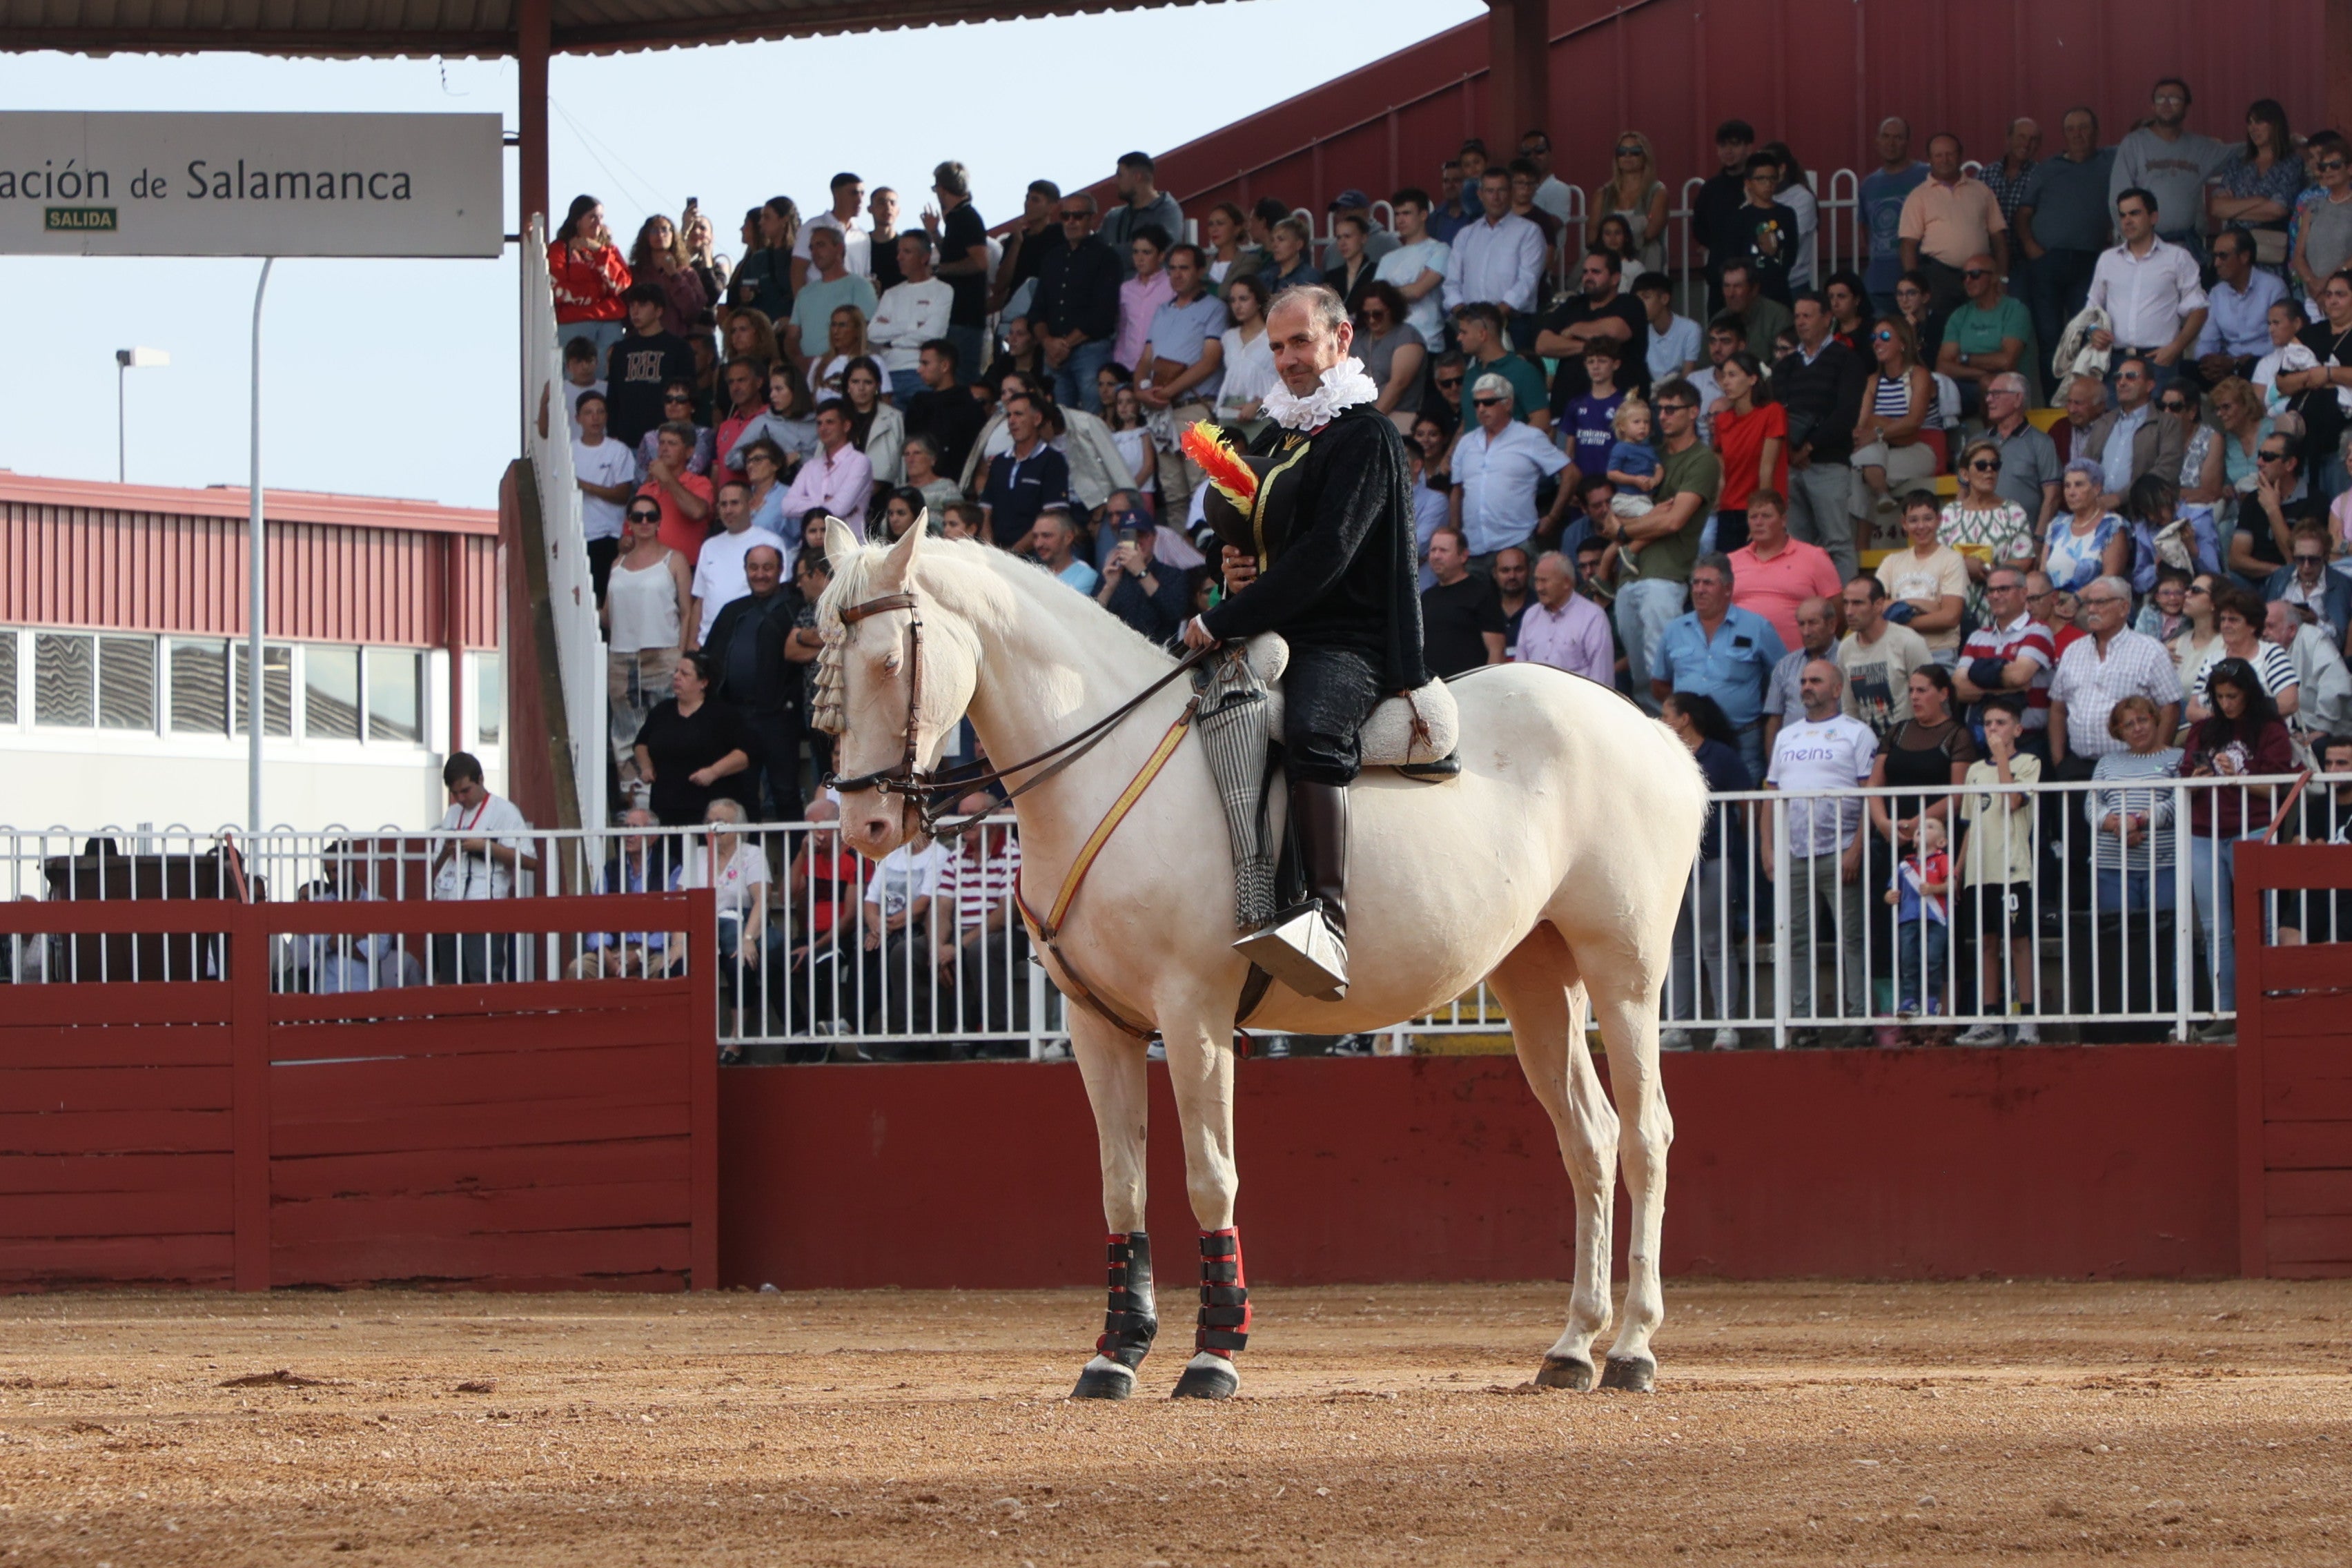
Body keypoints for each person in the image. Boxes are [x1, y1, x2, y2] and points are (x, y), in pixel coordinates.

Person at [1184, 284, 1431, 997]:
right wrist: (1230, 566)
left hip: (1347, 640)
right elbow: (1259, 530)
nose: (1288, 359)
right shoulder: (1278, 434)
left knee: (1315, 727)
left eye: (1300, 342)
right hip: (1275, 626)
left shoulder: (1368, 435)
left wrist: (1222, 618)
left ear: (1342, 339)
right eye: (1277, 346)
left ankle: (1324, 920)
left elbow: (1327, 556)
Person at [1763, 658, 1876, 1046]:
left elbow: (1870, 796)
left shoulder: (1857, 733)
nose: (1807, 686)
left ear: (1837, 689)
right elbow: (1771, 795)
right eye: (1804, 680)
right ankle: (1802, 1018)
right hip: (1794, 852)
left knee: (1852, 937)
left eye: (1816, 680)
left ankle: (1859, 1019)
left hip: (1840, 848)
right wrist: (1767, 847)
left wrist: (1857, 847)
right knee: (1794, 938)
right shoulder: (1786, 737)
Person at [2180, 658, 2295, 1026]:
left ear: (2249, 693)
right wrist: (2200, 776)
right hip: (2204, 830)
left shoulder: (2271, 730)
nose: (2226, 704)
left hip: (2254, 828)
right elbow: (2183, 780)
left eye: (2233, 696)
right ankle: (2228, 1012)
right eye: (2220, 697)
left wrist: (2239, 774)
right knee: (2216, 929)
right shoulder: (2202, 732)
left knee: (2262, 923)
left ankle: (2267, 1006)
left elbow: (2277, 789)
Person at [1865, 663, 1975, 1015]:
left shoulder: (1957, 735)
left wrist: (1921, 822)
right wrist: (1883, 822)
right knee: (1892, 930)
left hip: (1937, 840)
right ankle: (1895, 1018)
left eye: (1923, 689)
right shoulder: (1896, 732)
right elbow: (1874, 785)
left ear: (1943, 694)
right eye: (1911, 690)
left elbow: (1959, 793)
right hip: (1896, 844)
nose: (1915, 696)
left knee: (1941, 933)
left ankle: (1943, 1018)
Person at [1607, 378, 1718, 716]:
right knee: (1641, 677)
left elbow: (1674, 521)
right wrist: (1627, 529)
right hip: (1628, 575)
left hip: (1667, 575)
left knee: (1665, 671)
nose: (1663, 416)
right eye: (1660, 409)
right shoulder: (1647, 451)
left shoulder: (1702, 459)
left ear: (1693, 412)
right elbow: (1611, 514)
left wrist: (1625, 533)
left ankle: (1681, 743)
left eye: (1672, 409)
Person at [1660, 689, 1752, 1051]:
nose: (1662, 721)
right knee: (1677, 945)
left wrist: (1741, 846)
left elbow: (1746, 801)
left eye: (1667, 714)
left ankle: (1726, 1025)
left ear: (1686, 719)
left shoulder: (1720, 755)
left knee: (1715, 943)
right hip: (1673, 862)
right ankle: (1678, 1026)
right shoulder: (1663, 755)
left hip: (1712, 857)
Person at [1950, 696, 2044, 1045]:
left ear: (2017, 729)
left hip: (2013, 868)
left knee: (2018, 941)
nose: (1993, 730)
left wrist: (2002, 757)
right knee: (1987, 942)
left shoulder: (2029, 762)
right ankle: (1990, 1019)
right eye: (1988, 724)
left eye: (2000, 723)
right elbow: (1970, 825)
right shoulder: (1975, 771)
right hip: (1980, 871)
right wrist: (1959, 870)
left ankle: (2026, 1019)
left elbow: (2012, 801)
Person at [1648, 553, 1785, 781]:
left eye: (1708, 583)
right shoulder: (1675, 630)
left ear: (1728, 589)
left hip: (1743, 738)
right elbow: (1659, 683)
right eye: (1696, 582)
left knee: (1745, 804)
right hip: (1690, 742)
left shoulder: (1757, 627)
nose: (1700, 589)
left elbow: (1781, 678)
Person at [700, 541, 805, 823]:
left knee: (785, 792)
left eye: (768, 568)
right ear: (745, 570)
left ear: (781, 570)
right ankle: (749, 860)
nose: (760, 574)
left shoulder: (794, 609)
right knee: (742, 794)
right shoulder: (731, 611)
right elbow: (709, 659)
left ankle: (793, 859)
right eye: (754, 568)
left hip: (778, 717)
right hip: (736, 716)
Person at [602, 498, 691, 806]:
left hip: (662, 653)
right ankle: (635, 806)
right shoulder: (617, 565)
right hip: (621, 657)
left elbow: (686, 611)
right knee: (625, 734)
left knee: (665, 730)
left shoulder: (674, 559)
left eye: (650, 516)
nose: (644, 521)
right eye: (637, 516)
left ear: (658, 521)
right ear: (629, 521)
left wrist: (681, 654)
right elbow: (607, 615)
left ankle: (667, 796)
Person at [2012, 107, 2115, 372]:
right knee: (2049, 337)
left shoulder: (2111, 162)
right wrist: (2031, 248)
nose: (2077, 134)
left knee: (2087, 335)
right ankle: (2051, 406)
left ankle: (2082, 402)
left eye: (2084, 127)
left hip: (2090, 262)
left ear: (2097, 131)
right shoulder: (2047, 169)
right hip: (2048, 262)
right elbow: (2023, 213)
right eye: (2071, 129)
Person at [1774, 292, 1869, 579]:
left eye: (1808, 315)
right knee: (1797, 544)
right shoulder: (1786, 365)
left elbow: (1846, 414)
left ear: (1828, 318)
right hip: (1792, 464)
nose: (1800, 322)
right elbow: (1776, 413)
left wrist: (1810, 447)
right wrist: (1792, 451)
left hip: (1829, 462)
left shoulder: (1847, 360)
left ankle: (1845, 611)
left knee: (1837, 542)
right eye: (1797, 316)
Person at [2048, 574, 2183, 772]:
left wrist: (2153, 762)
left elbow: (2170, 707)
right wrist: (2060, 762)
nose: (2092, 609)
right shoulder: (2073, 651)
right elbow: (2058, 709)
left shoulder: (2150, 650)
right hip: (2078, 766)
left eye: (2100, 602)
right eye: (2089, 603)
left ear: (2124, 608)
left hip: (2133, 766)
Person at [929, 793, 1028, 1052]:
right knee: (906, 952)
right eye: (961, 816)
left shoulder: (1012, 853)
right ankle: (923, 1041)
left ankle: (999, 1039)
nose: (965, 822)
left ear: (993, 819)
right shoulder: (956, 857)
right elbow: (941, 908)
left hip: (1006, 933)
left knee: (980, 949)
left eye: (971, 815)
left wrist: (958, 946)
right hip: (964, 935)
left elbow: (1006, 913)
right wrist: (939, 947)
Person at [427, 752, 537, 984]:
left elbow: (530, 861)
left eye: (465, 791)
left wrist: (485, 847)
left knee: (483, 977)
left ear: (481, 780)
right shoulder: (452, 813)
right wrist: (449, 849)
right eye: (455, 793)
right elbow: (436, 863)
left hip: (485, 904)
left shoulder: (505, 812)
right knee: (450, 980)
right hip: (448, 903)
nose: (460, 798)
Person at [2086, 190, 2209, 391]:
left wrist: (2177, 348)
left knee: (2160, 419)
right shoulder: (2108, 260)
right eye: (2123, 215)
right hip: (2115, 361)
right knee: (2116, 419)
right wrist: (2093, 331)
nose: (2127, 220)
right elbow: (2092, 308)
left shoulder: (2178, 257)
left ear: (2153, 217)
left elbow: (2199, 309)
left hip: (2159, 361)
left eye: (2134, 213)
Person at [1137, 244, 1228, 504]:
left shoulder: (1215, 308)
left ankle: (1204, 544)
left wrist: (1166, 391)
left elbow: (1210, 362)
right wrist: (1139, 391)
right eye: (1173, 268)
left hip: (1194, 409)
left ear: (1201, 271)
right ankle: (1179, 546)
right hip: (1162, 411)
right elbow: (1145, 359)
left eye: (1184, 268)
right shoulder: (1162, 310)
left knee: (1202, 489)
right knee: (1173, 493)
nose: (1177, 274)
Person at [1449, 373, 1569, 567]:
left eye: (1488, 402)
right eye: (1477, 403)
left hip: (1517, 542)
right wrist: (1455, 537)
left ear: (1508, 404)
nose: (1481, 409)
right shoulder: (1466, 443)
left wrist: (1553, 517)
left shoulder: (1530, 437)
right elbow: (1457, 492)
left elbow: (1570, 473)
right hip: (1473, 547)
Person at [2109, 77, 2228, 259]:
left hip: (2185, 248)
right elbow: (2117, 199)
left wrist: (2284, 141)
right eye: (2160, 99)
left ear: (2187, 107)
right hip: (2145, 248)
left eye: (2174, 99)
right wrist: (2134, 241)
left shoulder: (2201, 148)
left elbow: (2245, 151)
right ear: (2153, 106)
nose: (2166, 104)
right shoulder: (2134, 144)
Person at [1028, 194, 1123, 415]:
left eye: (1078, 216)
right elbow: (1038, 308)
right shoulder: (1052, 257)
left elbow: (1103, 312)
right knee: (1057, 422)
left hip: (1090, 351)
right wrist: (1048, 343)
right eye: (1065, 216)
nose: (1071, 221)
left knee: (1092, 421)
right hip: (1053, 354)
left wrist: (1064, 345)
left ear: (1092, 219)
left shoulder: (1107, 257)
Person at [1899, 135, 2008, 312]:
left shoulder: (1981, 190)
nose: (1945, 160)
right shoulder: (1918, 196)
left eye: (1950, 154)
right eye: (1939, 155)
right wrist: (1913, 285)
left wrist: (2002, 278)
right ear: (1930, 159)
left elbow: (1999, 237)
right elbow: (1908, 245)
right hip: (1939, 277)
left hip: (1980, 275)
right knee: (1942, 329)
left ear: (1960, 156)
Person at [1850, 316, 1937, 536]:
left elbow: (1914, 421)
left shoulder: (1919, 375)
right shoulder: (1873, 381)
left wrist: (1879, 430)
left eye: (1885, 336)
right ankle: (1882, 495)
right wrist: (1873, 433)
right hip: (1882, 449)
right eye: (1874, 338)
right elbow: (1862, 427)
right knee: (1862, 462)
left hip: (1918, 448)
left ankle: (1861, 545)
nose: (1877, 342)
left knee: (1861, 469)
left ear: (1903, 342)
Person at [2271, 272, 2352, 507]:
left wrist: (2329, 374)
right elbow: (2283, 383)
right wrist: (2311, 377)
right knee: (2309, 512)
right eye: (2328, 295)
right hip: (2303, 443)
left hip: (2341, 446)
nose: (2333, 301)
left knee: (2341, 509)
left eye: (2341, 295)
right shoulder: (2309, 334)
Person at [1727, 489, 1841, 656]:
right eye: (1753, 517)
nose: (1759, 522)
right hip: (1742, 660)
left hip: (1799, 661)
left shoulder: (1814, 557)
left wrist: (1820, 653)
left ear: (1783, 520)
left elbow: (1837, 612)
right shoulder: (1730, 561)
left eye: (1766, 516)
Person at [1950, 565, 2057, 741]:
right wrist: (2005, 691)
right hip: (1982, 741)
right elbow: (1959, 689)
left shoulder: (2038, 631)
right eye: (1991, 590)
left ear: (2024, 593)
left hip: (2026, 740)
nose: (1995, 596)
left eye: (2004, 589)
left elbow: (2019, 676)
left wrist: (1978, 675)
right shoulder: (1977, 636)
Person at [1941, 435, 2039, 625]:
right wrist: (1962, 565)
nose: (1989, 471)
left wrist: (1991, 572)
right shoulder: (1949, 514)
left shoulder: (2012, 511)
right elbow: (1936, 557)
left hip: (2002, 603)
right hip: (1956, 603)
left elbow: (2025, 559)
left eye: (1995, 466)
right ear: (1965, 474)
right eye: (1981, 465)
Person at [1441, 167, 1545, 337]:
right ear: (1480, 194)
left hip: (1513, 324)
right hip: (1470, 324)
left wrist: (1495, 315)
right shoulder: (1466, 234)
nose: (1496, 198)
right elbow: (1451, 281)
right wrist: (1462, 312)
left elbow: (1528, 280)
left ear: (1511, 193)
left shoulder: (1529, 232)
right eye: (1490, 191)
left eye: (1501, 191)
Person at [1874, 491, 1968, 664]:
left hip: (1938, 653)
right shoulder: (1891, 562)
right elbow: (1874, 607)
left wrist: (1899, 618)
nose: (1921, 526)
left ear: (1939, 520)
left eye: (1928, 519)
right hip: (1897, 652)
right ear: (1904, 523)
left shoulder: (1952, 560)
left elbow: (1950, 617)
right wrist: (1925, 606)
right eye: (1914, 520)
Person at [1706, 351, 1785, 556]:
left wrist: (1761, 515)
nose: (1726, 382)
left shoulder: (1772, 412)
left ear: (1752, 379)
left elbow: (1767, 469)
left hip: (1761, 509)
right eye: (1724, 376)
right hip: (1728, 509)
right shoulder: (1722, 420)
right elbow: (1722, 470)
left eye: (1733, 375)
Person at [2079, 358, 2185, 509]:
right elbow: (2085, 465)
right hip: (2099, 511)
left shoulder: (2167, 423)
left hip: (2145, 511)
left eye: (2131, 376)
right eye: (2118, 377)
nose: (2121, 382)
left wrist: (2119, 498)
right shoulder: (2104, 422)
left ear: (2150, 385)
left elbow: (2167, 471)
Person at [1839, 574, 1934, 741]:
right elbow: (1850, 710)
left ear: (1879, 605)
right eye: (1845, 603)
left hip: (1908, 743)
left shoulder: (1908, 642)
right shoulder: (1845, 649)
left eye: (1857, 603)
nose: (1849, 612)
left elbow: (1931, 701)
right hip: (1868, 747)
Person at [2193, 227, 2288, 392]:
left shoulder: (2273, 287)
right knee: (2186, 370)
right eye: (2215, 256)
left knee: (2253, 367)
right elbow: (2207, 340)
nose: (2216, 263)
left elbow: (2281, 340)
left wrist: (2237, 362)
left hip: (2260, 364)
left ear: (2244, 257)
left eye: (2223, 256)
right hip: (2226, 367)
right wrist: (2208, 361)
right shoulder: (2217, 293)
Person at [603, 284, 695, 452]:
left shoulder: (678, 348)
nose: (635, 312)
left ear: (659, 311)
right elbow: (613, 395)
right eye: (632, 306)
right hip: (626, 441)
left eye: (643, 305)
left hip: (665, 441)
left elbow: (689, 394)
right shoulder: (621, 350)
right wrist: (612, 432)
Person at [1938, 255, 2035, 413]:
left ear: (1994, 277)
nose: (1968, 280)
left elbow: (2007, 361)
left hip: (2009, 385)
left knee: (1989, 384)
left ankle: (1993, 437)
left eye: (1975, 274)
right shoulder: (1959, 315)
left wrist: (1965, 358)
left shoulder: (2015, 310)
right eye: (1964, 276)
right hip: (1965, 384)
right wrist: (1980, 374)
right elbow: (1943, 366)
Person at [925, 161, 992, 388]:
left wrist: (938, 270)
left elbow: (980, 262)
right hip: (959, 316)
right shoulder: (958, 218)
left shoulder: (966, 217)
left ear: (942, 188)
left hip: (965, 316)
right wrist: (935, 233)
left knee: (962, 378)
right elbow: (954, 257)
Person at [868, 232, 954, 408]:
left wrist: (891, 341)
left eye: (907, 252)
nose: (899, 257)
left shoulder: (943, 290)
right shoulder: (891, 293)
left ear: (924, 258)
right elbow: (873, 333)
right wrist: (914, 325)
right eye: (899, 251)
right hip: (888, 374)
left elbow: (933, 335)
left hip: (921, 374)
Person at [977, 391, 1070, 549]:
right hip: (996, 553)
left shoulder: (1052, 460)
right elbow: (985, 511)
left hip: (1036, 554)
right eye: (1009, 415)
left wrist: (1014, 553)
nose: (1012, 421)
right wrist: (992, 550)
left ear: (1037, 419)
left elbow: (1052, 516)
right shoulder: (1000, 461)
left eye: (1019, 414)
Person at [547, 195, 631, 363]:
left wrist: (599, 251)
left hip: (610, 322)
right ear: (577, 220)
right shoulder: (560, 249)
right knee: (577, 377)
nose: (598, 223)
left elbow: (621, 283)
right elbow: (558, 288)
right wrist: (598, 291)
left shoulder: (608, 250)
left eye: (601, 217)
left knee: (610, 377)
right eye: (592, 217)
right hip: (574, 324)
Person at [786, 227, 879, 380]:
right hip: (808, 374)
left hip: (845, 372)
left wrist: (835, 361)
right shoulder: (804, 293)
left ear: (839, 248)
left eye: (821, 245)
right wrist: (800, 360)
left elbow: (868, 330)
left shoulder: (860, 286)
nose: (815, 252)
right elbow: (792, 336)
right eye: (811, 247)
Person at [1859, 119, 1930, 314]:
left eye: (1898, 138)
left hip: (1918, 283)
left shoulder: (1926, 176)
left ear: (1908, 142)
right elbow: (1866, 231)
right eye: (1886, 137)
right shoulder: (1869, 185)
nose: (1891, 143)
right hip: (1880, 285)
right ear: (1877, 142)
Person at [1513, 549, 1614, 685]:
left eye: (1544, 581)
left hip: (1576, 702)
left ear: (1567, 582)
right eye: (1536, 581)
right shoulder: (1531, 616)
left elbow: (1603, 678)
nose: (1539, 588)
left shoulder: (1593, 617)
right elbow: (1519, 673)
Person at [778, 400, 874, 540]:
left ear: (846, 426)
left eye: (830, 422)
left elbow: (839, 508)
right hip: (812, 549)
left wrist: (808, 501)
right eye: (819, 423)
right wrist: (825, 500)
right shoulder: (810, 466)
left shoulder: (859, 462)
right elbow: (787, 507)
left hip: (848, 549)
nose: (823, 428)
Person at [1418, 526, 1505, 676]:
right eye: (1433, 550)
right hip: (1433, 690)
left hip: (1469, 689)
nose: (1436, 556)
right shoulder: (1426, 597)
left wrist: (1489, 687)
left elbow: (1496, 650)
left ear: (1463, 556)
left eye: (1443, 550)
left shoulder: (1482, 594)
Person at [1763, 594, 1839, 760]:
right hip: (1792, 756)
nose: (1806, 631)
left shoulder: (1847, 659)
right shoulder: (1785, 666)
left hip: (1834, 754)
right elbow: (1774, 720)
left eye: (1812, 623)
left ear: (1832, 625)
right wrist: (1773, 767)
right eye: (1801, 624)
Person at [1451, 302, 1549, 431]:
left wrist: (1506, 448)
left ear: (1482, 334)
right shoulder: (1470, 375)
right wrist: (1452, 451)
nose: (1459, 338)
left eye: (1464, 332)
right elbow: (1467, 424)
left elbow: (1541, 421)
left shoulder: (1524, 371)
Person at [1095, 512, 1190, 643]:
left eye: (1142, 536)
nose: (1138, 543)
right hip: (1115, 650)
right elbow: (1090, 617)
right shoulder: (1111, 574)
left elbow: (1174, 613)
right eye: (1130, 537)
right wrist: (1109, 587)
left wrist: (1142, 572)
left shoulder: (1173, 575)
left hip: (1158, 653)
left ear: (1154, 537)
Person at [2120, 472, 2222, 595]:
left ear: (2166, 495)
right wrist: (2157, 568)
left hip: (2197, 592)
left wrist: (2192, 549)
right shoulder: (2144, 528)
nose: (2152, 517)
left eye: (2154, 510)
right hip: (2162, 595)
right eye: (2146, 513)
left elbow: (2215, 574)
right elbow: (2138, 583)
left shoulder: (2198, 519)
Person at [633, 419, 715, 567]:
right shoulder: (645, 489)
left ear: (689, 452)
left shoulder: (700, 483)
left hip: (685, 570)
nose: (664, 448)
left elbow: (697, 512)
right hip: (648, 571)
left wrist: (667, 478)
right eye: (662, 443)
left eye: (672, 444)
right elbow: (627, 534)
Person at [1375, 187, 1451, 347]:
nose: (1401, 220)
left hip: (1427, 340)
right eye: (1397, 214)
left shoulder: (1440, 250)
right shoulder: (1387, 259)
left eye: (1407, 213)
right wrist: (1406, 289)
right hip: (1391, 342)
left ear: (1423, 215)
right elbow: (1376, 299)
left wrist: (1389, 293)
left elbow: (1418, 291)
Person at [2043, 460, 2133, 594]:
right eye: (2067, 486)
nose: (2071, 492)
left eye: (2079, 485)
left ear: (2097, 489)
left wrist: (2076, 600)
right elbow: (2043, 574)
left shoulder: (2112, 525)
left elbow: (2110, 576)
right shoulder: (2056, 526)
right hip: (2053, 605)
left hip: (2094, 605)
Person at [1723, 153, 1801, 305]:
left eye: (1773, 178)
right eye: (1761, 179)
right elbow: (1733, 254)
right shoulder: (1740, 217)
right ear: (1748, 183)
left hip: (1779, 289)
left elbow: (1791, 252)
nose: (1768, 184)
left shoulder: (1787, 214)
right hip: (1748, 293)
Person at [1592, 129, 1671, 278]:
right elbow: (1592, 236)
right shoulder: (1602, 194)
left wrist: (1614, 239)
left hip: (1645, 258)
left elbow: (1651, 233)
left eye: (1635, 151)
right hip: (1607, 263)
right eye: (1622, 151)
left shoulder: (1658, 192)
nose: (1627, 156)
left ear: (1645, 155)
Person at [1099, 151, 1186, 279]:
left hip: (1153, 295)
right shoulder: (1113, 217)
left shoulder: (1168, 211)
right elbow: (1095, 251)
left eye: (1120, 175)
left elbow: (1161, 249)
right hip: (1110, 295)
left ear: (1137, 177)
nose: (1115, 181)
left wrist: (1109, 254)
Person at [2266, 524, 2352, 645]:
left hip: (2319, 652)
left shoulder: (2340, 585)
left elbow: (2339, 641)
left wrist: (2316, 622)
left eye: (2314, 560)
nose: (2306, 566)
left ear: (2325, 557)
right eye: (2300, 559)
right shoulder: (2281, 577)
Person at [1358, 283, 1424, 435]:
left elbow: (1398, 385)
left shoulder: (1407, 335)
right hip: (1360, 420)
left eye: (1378, 314)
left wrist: (1370, 422)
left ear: (1392, 310)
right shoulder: (1358, 337)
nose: (1372, 320)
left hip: (1397, 422)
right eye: (1366, 315)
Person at [2292, 139, 2352, 304]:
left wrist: (2327, 283)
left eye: (2335, 165)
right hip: (2314, 297)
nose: (2328, 171)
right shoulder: (2312, 208)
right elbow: (2298, 255)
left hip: (2346, 297)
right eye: (2323, 167)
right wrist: (2314, 285)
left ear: (2350, 169)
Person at [728, 196, 799, 326]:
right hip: (764, 332)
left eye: (767, 217)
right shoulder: (757, 259)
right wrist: (746, 296)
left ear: (784, 220)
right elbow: (746, 294)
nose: (761, 222)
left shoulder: (800, 257)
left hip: (792, 330)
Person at [1718, 260, 1792, 362]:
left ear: (1754, 289)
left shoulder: (1778, 317)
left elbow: (1783, 366)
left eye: (1738, 286)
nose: (1731, 294)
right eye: (1727, 286)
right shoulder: (1718, 320)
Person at [1636, 271, 1700, 383]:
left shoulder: (1690, 329)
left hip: (1681, 394)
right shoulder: (1640, 332)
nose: (1640, 304)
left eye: (1646, 297)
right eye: (1638, 299)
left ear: (1664, 299)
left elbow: (1688, 377)